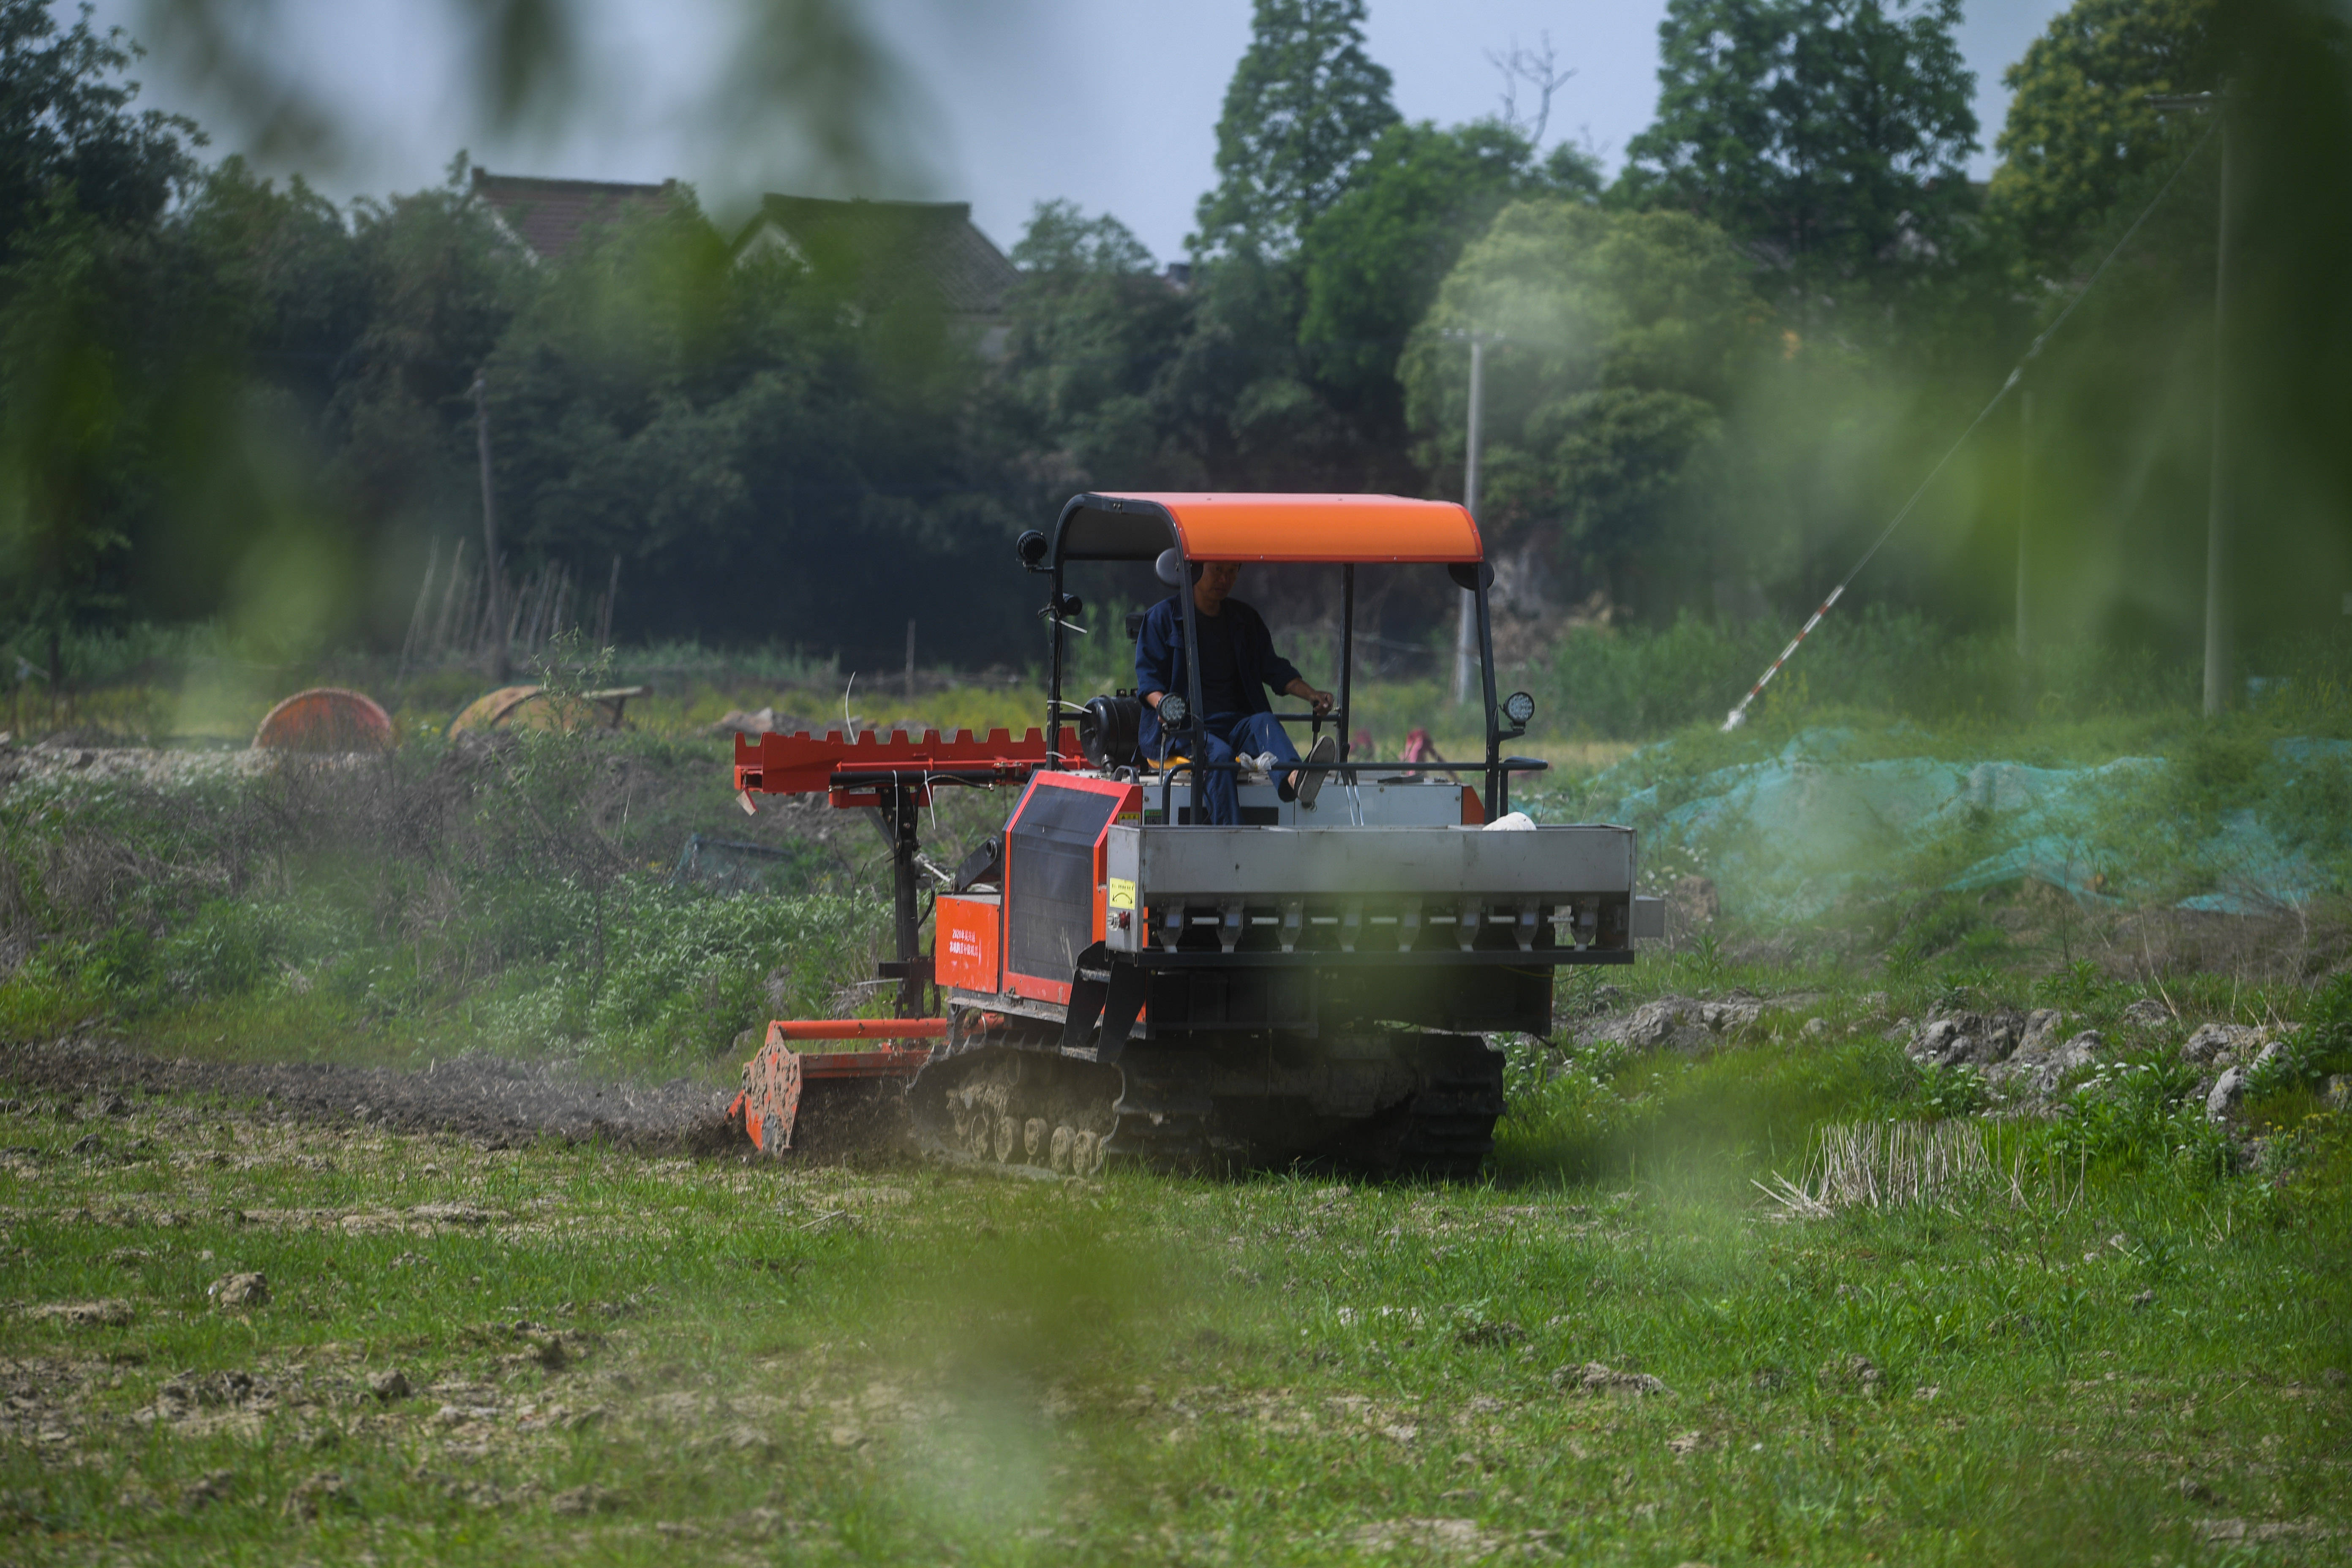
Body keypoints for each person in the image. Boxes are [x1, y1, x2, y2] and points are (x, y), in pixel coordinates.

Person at [1135, 557, 1340, 825]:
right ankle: (1232, 833)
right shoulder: (1162, 618)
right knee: (1218, 756)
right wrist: (1165, 707)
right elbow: (1149, 682)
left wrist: (1312, 694)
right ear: (1195, 570)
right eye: (1217, 570)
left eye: (1232, 572)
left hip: (1236, 725)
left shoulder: (1245, 619)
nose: (1225, 580)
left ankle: (1294, 779)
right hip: (1185, 728)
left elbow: (1274, 669)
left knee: (1265, 722)